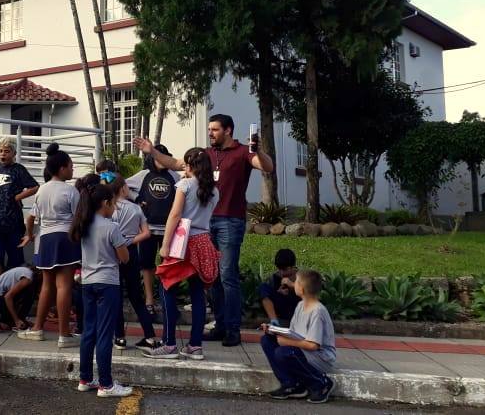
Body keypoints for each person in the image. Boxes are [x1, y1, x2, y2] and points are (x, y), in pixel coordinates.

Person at [135, 114, 274, 347]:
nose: (210, 133)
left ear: (228, 130)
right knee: (211, 277)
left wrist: (258, 149)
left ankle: (232, 329)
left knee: (228, 274)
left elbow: (267, 167)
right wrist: (152, 151)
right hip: (206, 224)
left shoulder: (243, 152)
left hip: (230, 221)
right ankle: (220, 325)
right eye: (209, 129)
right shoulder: (206, 154)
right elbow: (175, 163)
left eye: (215, 129)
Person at [143, 148, 220, 361]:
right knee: (198, 294)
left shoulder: (184, 185)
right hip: (203, 242)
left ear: (191, 166)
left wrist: (165, 245)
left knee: (167, 287)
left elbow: (175, 215)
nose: (183, 167)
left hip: (182, 242)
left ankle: (169, 344)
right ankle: (195, 345)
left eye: (186, 164)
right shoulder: (214, 190)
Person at [71, 182, 133, 398]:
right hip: (107, 283)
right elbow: (124, 258)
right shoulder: (111, 227)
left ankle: (85, 378)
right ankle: (106, 384)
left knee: (89, 331)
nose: (115, 207)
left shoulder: (83, 225)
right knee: (105, 333)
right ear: (105, 203)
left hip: (87, 282)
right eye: (113, 203)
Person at [17, 145, 81, 348]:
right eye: (70, 166)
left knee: (46, 285)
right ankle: (64, 334)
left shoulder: (41, 190)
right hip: (65, 238)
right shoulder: (70, 191)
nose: (72, 169)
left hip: (45, 239)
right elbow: (78, 219)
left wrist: (30, 235)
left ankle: (38, 328)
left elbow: (31, 218)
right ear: (62, 168)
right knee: (64, 286)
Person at [259, 269, 337, 404]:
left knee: (284, 352)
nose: (293, 284)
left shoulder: (317, 311)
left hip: (320, 357)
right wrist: (273, 331)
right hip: (302, 350)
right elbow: (292, 333)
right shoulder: (300, 305)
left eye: (296, 282)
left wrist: (285, 342)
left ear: (302, 288)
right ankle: (290, 383)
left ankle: (321, 383)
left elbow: (313, 345)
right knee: (267, 340)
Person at [126, 145, 181, 318]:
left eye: (165, 156)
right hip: (148, 229)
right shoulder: (143, 175)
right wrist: (137, 198)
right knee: (146, 265)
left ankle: (168, 302)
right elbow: (123, 185)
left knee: (168, 267)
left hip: (169, 230)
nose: (163, 160)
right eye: (159, 156)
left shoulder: (174, 176)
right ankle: (149, 301)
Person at [107, 173, 157, 350]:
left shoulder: (109, 208)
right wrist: (130, 241)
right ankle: (150, 336)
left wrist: (119, 242)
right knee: (136, 296)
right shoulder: (136, 209)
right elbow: (147, 233)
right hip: (131, 253)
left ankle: (119, 337)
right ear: (122, 189)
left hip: (112, 253)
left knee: (116, 296)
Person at [0, 137, 39, 278]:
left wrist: (17, 197)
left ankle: (13, 288)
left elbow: (34, 187)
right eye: (0, 151)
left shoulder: (19, 169)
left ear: (14, 153)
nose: (2, 154)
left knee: (15, 260)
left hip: (13, 222)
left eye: (6, 151)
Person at [0, 264, 37, 332]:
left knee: (11, 323)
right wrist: (16, 320)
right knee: (30, 293)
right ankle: (2, 319)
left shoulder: (25, 271)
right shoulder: (29, 277)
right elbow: (8, 297)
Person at [260, 249, 301, 327]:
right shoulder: (274, 278)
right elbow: (267, 294)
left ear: (292, 267)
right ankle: (274, 321)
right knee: (264, 287)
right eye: (279, 269)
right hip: (282, 310)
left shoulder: (302, 276)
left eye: (285, 269)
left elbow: (310, 292)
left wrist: (292, 285)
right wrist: (279, 292)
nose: (282, 273)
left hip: (297, 309)